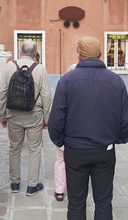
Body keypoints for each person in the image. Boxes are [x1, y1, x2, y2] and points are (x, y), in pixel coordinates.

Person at [49, 36, 128, 220]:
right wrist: (117, 139)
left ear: (79, 56)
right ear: (101, 55)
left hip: (75, 150)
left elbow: (56, 120)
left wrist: (62, 141)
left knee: (76, 201)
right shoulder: (116, 81)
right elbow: (125, 120)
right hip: (104, 150)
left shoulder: (67, 80)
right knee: (103, 201)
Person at [0, 40, 52, 196]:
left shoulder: (9, 67)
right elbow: (47, 96)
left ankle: (15, 184)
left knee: (14, 148)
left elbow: (1, 93)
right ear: (35, 53)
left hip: (13, 114)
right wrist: (46, 119)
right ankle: (31, 186)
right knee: (34, 150)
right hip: (35, 115)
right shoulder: (40, 69)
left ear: (20, 51)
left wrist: (2, 115)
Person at [53, 63, 77, 202]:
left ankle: (60, 191)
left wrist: (56, 136)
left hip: (64, 134)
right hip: (78, 137)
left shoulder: (63, 87)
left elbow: (55, 113)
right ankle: (75, 189)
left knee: (60, 161)